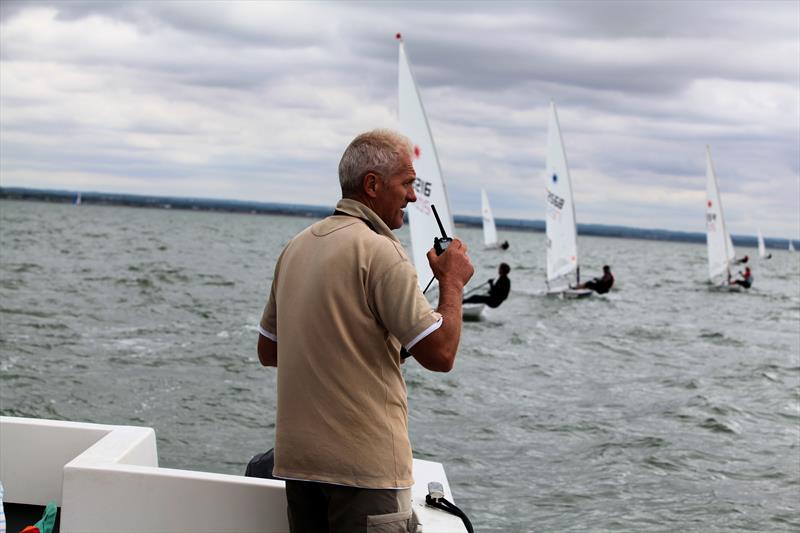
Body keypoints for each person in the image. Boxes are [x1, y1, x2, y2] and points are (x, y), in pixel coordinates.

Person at [256, 129, 474, 532]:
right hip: (364, 473)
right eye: (407, 183)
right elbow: (441, 355)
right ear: (372, 185)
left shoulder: (296, 247)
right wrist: (452, 283)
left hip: (300, 466)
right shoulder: (381, 251)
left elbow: (269, 352)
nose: (412, 196)